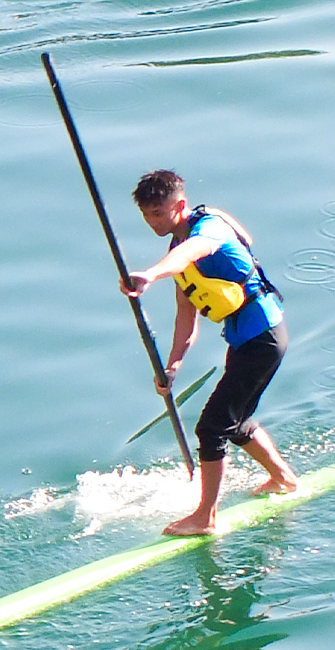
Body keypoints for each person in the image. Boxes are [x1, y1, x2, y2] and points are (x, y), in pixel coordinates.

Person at [121, 169, 297, 537]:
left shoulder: (209, 230)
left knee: (211, 427)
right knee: (236, 420)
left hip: (263, 338)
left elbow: (191, 252)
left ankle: (206, 517)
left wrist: (150, 275)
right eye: (146, 215)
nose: (153, 222)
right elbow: (185, 317)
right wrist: (172, 367)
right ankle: (283, 478)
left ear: (179, 205)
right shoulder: (176, 247)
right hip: (245, 341)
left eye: (158, 213)